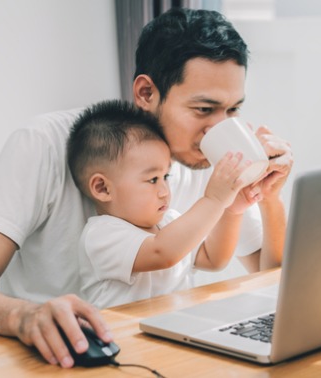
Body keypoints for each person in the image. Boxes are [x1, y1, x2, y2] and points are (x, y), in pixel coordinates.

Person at [0, 8, 292, 369]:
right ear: (145, 92)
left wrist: (270, 198)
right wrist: (25, 317)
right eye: (203, 109)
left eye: (233, 110)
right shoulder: (45, 142)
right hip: (49, 361)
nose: (218, 128)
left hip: (155, 355)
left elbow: (273, 278)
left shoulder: (210, 159)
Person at [67, 100, 258, 309]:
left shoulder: (171, 221)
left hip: (174, 330)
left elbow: (214, 259)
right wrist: (214, 200)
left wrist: (231, 210)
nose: (165, 190)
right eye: (152, 180)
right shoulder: (101, 235)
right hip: (124, 338)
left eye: (165, 176)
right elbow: (163, 252)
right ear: (103, 188)